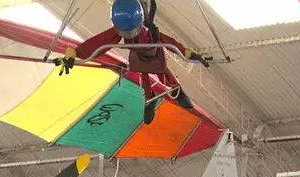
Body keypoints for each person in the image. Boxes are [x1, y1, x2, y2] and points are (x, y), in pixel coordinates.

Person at [59, 0, 212, 122]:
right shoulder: (118, 29)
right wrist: (73, 55)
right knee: (143, 74)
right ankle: (150, 99)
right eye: (125, 32)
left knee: (163, 73)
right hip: (138, 57)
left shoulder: (151, 32)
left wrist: (192, 55)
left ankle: (178, 92)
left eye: (131, 31)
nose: (129, 35)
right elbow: (97, 43)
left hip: (154, 55)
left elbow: (173, 44)